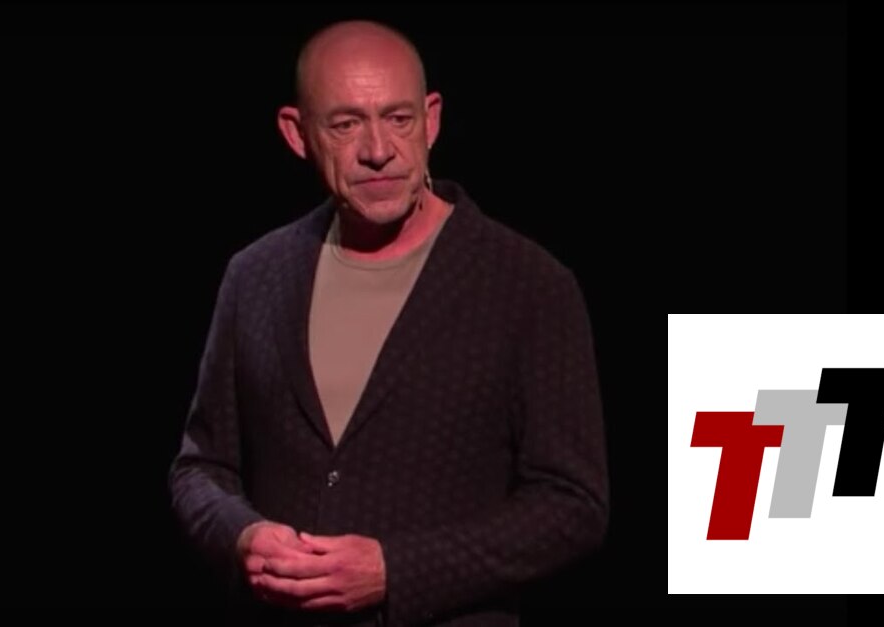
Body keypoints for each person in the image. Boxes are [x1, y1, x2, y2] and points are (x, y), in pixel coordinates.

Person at [169, 19, 608, 627]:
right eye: (346, 125)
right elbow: (201, 467)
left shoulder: (528, 284)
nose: (378, 150)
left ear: (431, 120)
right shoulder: (255, 276)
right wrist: (242, 537)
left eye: (398, 119)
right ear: (297, 133)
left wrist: (397, 571)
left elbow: (573, 504)